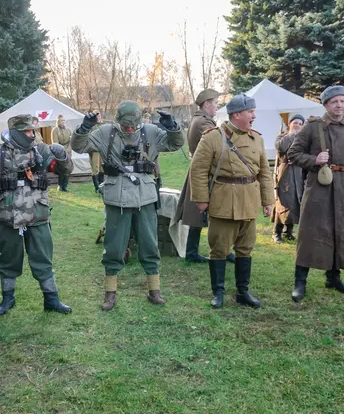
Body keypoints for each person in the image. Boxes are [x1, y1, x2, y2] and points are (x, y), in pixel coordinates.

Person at [71, 101, 185, 311]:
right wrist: (84, 127)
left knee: (150, 244)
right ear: (118, 121)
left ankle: (154, 290)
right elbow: (78, 146)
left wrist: (173, 126)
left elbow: (176, 144)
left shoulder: (150, 132)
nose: (129, 129)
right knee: (114, 246)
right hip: (118, 197)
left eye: (133, 125)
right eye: (125, 125)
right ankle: (110, 293)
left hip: (145, 197)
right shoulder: (106, 133)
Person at [0, 114, 72, 315]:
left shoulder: (40, 150)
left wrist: (63, 156)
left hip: (37, 214)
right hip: (8, 215)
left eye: (33, 130)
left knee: (43, 258)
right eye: (27, 131)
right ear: (16, 132)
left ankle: (52, 299)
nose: (32, 135)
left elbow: (64, 171)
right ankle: (8, 299)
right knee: (8, 259)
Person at [288, 85, 344, 302]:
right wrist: (314, 160)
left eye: (342, 101)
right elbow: (293, 153)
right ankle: (300, 282)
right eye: (334, 101)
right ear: (326, 105)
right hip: (319, 188)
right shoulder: (313, 127)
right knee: (310, 233)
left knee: (341, 232)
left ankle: (333, 278)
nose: (339, 105)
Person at [190, 94, 274, 309]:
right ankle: (217, 293)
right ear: (237, 115)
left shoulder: (257, 139)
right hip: (223, 201)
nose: (254, 116)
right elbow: (198, 170)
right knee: (218, 249)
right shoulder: (212, 137)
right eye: (251, 112)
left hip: (249, 201)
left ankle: (242, 292)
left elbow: (264, 172)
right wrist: (201, 199)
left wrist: (268, 200)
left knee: (245, 249)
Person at [175, 88, 234, 264]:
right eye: (216, 103)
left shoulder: (200, 120)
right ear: (207, 104)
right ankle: (213, 251)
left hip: (203, 170)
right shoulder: (203, 123)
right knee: (211, 214)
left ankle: (199, 251)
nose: (217, 106)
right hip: (205, 172)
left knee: (200, 215)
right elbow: (219, 145)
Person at [271, 114, 305, 243]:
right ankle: (276, 232)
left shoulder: (303, 139)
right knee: (283, 203)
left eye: (300, 124)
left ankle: (288, 231)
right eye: (295, 123)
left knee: (296, 202)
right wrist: (292, 134)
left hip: (299, 172)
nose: (298, 126)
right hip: (285, 173)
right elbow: (281, 147)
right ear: (289, 124)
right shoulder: (282, 137)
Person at [51, 114, 72, 192]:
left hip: (68, 151)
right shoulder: (55, 130)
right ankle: (60, 185)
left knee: (67, 168)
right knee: (61, 169)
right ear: (58, 121)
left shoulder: (68, 130)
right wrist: (63, 150)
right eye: (61, 120)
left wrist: (68, 149)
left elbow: (71, 141)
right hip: (60, 152)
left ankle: (65, 185)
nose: (63, 122)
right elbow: (55, 142)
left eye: (64, 120)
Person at [88, 112, 105, 193]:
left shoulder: (102, 126)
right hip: (94, 150)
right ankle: (97, 187)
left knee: (102, 168)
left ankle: (101, 186)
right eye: (97, 116)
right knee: (96, 168)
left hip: (102, 149)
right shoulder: (91, 126)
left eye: (99, 116)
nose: (98, 117)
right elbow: (89, 138)